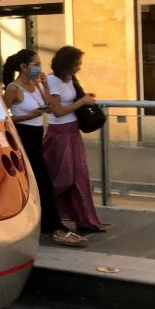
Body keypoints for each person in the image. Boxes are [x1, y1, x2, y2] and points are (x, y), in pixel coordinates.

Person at [1, 49, 84, 247]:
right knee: (44, 180)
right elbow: (2, 116)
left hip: (38, 134)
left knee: (38, 181)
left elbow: (49, 103)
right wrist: (27, 116)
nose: (39, 68)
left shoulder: (36, 84)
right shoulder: (13, 89)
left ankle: (43, 222)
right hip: (23, 135)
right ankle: (54, 226)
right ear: (24, 67)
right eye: (35, 64)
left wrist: (45, 85)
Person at [43, 45, 109, 234]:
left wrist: (83, 99)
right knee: (63, 178)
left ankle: (85, 219)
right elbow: (57, 111)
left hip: (72, 131)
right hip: (60, 133)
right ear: (67, 64)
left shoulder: (70, 79)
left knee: (80, 176)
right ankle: (48, 212)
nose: (79, 67)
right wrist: (82, 102)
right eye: (76, 64)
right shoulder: (52, 81)